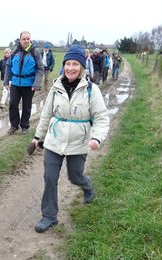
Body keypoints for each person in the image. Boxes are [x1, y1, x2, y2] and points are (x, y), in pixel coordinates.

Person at [30, 45, 109, 233]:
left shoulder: (92, 90)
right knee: (50, 178)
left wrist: (96, 138)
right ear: (63, 65)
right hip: (54, 141)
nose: (71, 68)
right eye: (68, 64)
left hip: (78, 142)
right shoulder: (56, 87)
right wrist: (37, 137)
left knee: (75, 176)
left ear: (82, 67)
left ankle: (86, 184)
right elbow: (46, 114)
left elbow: (101, 118)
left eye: (75, 64)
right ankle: (49, 216)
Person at [3, 31, 43, 135]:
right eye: (24, 39)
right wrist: (6, 81)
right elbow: (8, 65)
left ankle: (24, 126)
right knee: (12, 104)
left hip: (29, 84)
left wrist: (36, 84)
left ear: (30, 39)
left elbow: (40, 68)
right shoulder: (15, 51)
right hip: (15, 83)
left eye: (27, 39)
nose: (26, 41)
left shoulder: (35, 52)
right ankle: (14, 125)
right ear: (20, 40)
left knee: (27, 106)